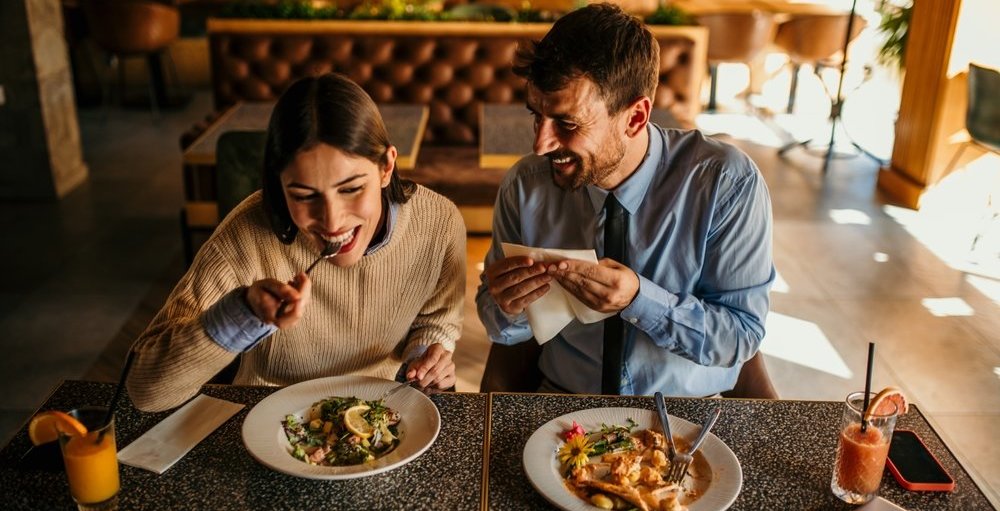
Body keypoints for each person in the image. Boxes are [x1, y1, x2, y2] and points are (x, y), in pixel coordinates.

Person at [475, 4, 774, 397]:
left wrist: (640, 301)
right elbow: (500, 328)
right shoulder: (524, 186)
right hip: (563, 402)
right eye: (537, 116)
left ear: (635, 118)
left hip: (686, 413)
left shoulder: (725, 184)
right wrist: (508, 306)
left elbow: (740, 336)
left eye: (567, 123)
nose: (540, 144)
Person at [128, 73, 466, 412]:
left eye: (351, 189)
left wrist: (425, 356)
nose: (332, 221)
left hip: (382, 411)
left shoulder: (438, 223)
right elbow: (145, 391)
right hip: (265, 416)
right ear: (279, 184)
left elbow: (435, 318)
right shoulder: (244, 237)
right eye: (304, 195)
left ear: (386, 167)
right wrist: (242, 314)